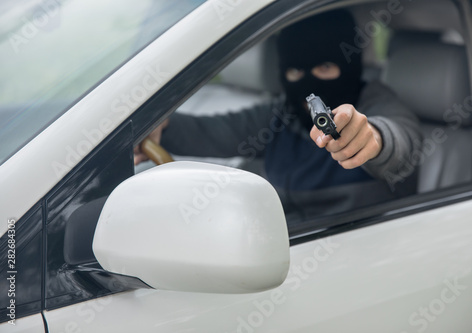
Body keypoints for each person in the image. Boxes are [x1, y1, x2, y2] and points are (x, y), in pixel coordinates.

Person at [134, 9, 422, 223]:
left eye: (324, 68)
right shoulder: (281, 115)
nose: (309, 84)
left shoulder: (377, 102)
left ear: (350, 65)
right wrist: (155, 126)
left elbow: (400, 141)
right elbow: (211, 133)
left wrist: (369, 137)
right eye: (295, 72)